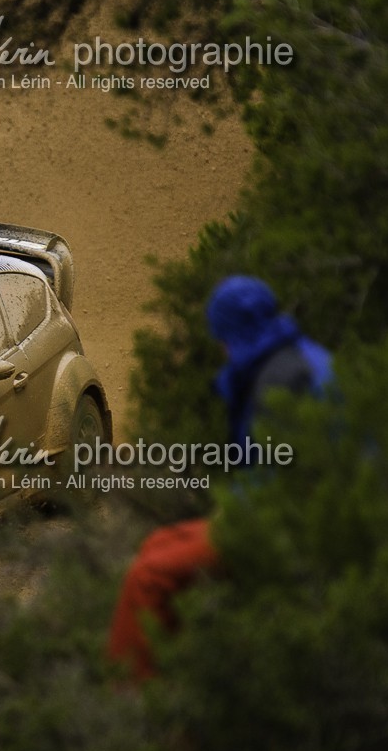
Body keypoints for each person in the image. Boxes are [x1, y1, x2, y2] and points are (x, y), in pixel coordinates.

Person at [106, 275, 332, 679]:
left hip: (302, 524)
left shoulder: (281, 379)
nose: (221, 350)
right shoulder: (300, 355)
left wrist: (236, 516)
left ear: (235, 333)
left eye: (222, 338)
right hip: (303, 508)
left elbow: (284, 477)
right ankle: (174, 671)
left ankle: (131, 701)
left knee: (148, 577)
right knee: (159, 544)